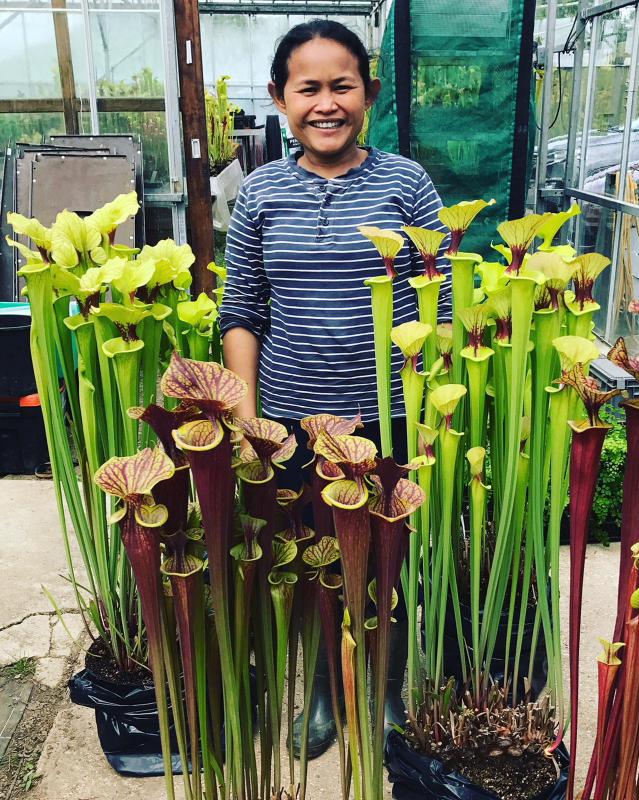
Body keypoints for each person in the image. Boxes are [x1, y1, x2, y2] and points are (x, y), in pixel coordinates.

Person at [219, 19, 449, 758]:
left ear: (369, 94)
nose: (326, 103)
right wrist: (250, 420)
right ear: (280, 98)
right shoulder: (260, 194)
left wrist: (427, 408)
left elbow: (438, 304)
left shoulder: (406, 183)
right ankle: (326, 690)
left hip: (389, 416)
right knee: (319, 561)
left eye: (341, 85)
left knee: (387, 562)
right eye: (307, 87)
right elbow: (242, 311)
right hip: (292, 420)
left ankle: (382, 691)